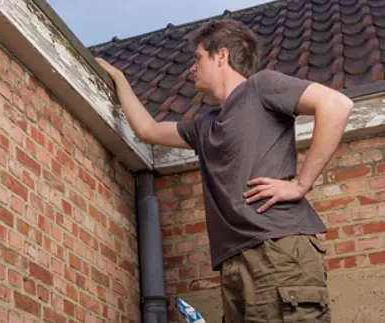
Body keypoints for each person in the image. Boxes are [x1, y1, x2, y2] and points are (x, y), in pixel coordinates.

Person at [96, 19, 353, 323]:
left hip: (278, 252)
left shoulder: (261, 87)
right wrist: (118, 77)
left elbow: (336, 104)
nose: (191, 69)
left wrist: (300, 184)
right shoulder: (204, 127)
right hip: (234, 264)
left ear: (222, 56)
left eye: (197, 58)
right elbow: (147, 130)